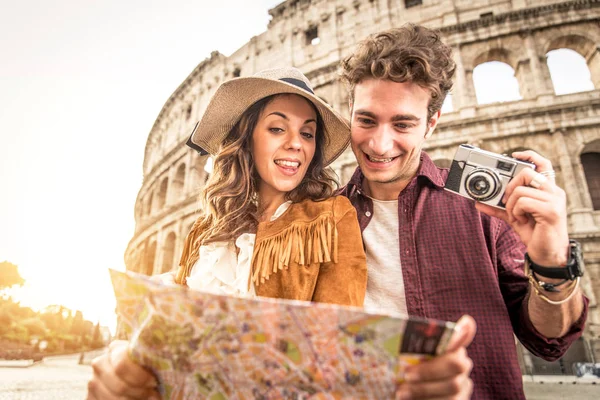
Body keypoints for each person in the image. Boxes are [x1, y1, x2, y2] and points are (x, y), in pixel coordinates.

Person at [338, 24, 589, 400]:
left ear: (432, 122)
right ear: (351, 115)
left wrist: (551, 259)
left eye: (403, 123)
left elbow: (550, 340)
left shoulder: (486, 211)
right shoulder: (323, 216)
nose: (379, 143)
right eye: (366, 120)